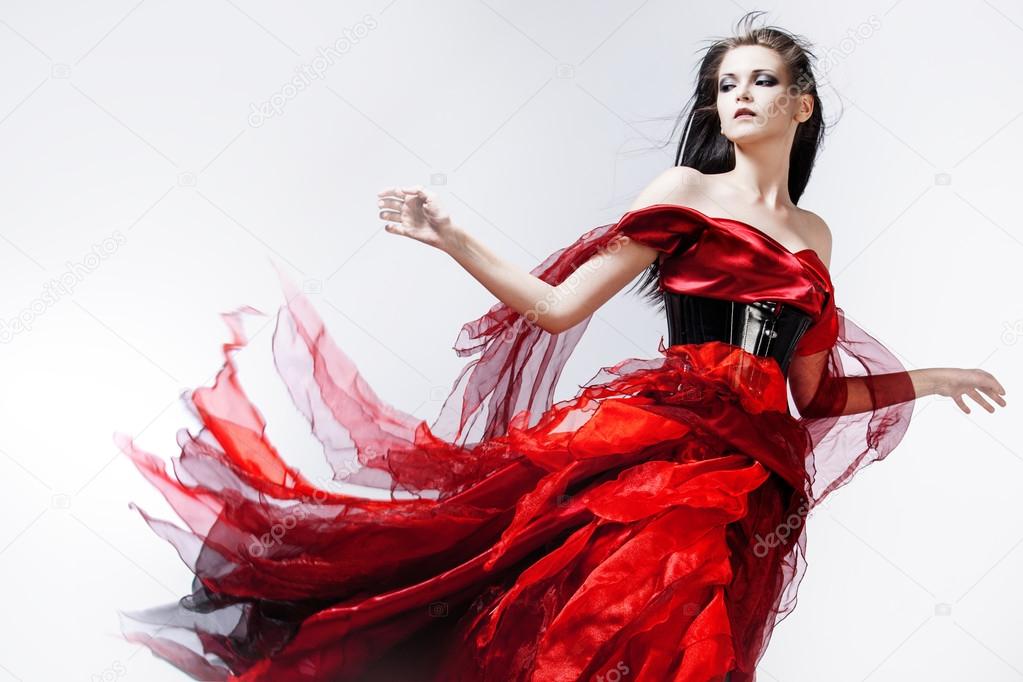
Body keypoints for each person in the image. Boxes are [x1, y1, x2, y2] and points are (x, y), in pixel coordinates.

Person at [116, 12, 1006, 682]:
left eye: (760, 81)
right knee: (606, 622)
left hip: (756, 474)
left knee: (689, 646)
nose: (737, 96)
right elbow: (553, 307)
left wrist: (927, 379)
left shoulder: (814, 231)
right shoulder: (686, 189)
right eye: (725, 83)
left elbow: (810, 397)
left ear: (800, 104)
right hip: (663, 446)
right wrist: (449, 235)